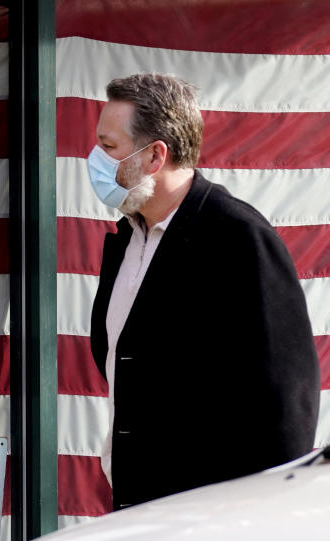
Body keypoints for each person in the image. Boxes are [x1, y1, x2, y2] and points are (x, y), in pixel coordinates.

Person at [88, 73, 320, 510]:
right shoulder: (126, 240)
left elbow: (287, 406)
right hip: (137, 510)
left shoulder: (239, 238)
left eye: (110, 146)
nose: (97, 159)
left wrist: (253, 524)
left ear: (155, 155)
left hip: (211, 522)